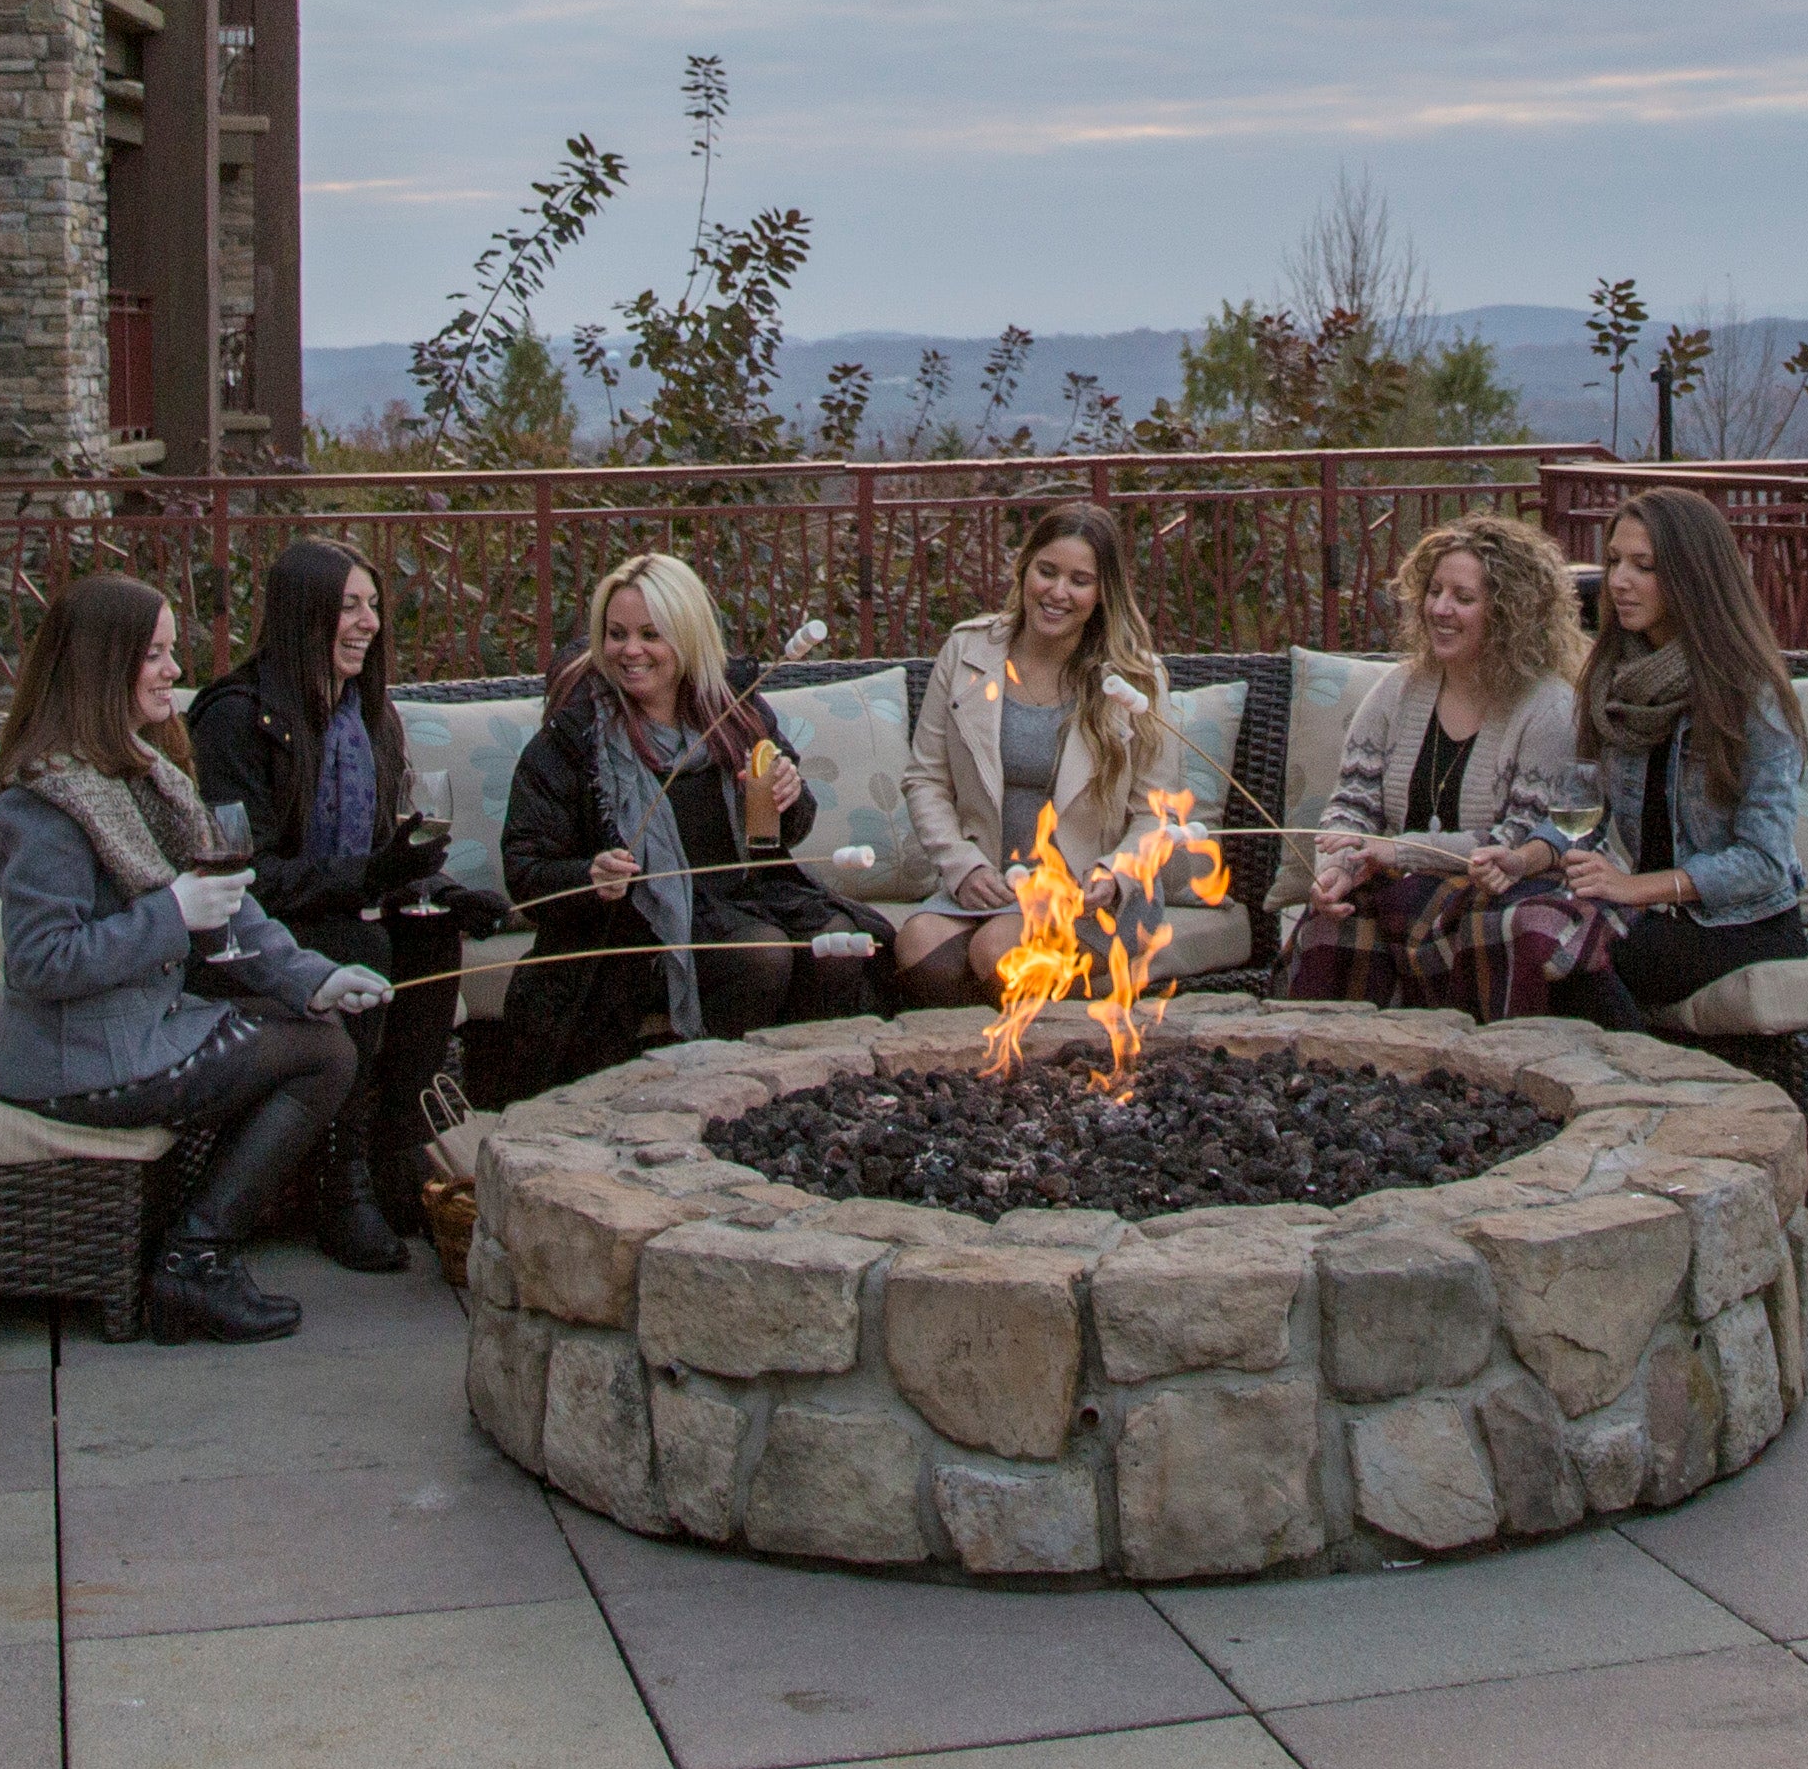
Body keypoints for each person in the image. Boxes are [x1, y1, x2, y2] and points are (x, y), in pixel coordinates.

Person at [0, 571, 388, 1345]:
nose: (175, 670)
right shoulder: (41, 803)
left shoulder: (141, 774)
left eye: (172, 652)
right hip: (77, 1064)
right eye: (156, 655)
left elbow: (233, 903)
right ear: (105, 666)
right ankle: (193, 1261)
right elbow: (41, 962)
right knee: (323, 1057)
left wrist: (318, 979)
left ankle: (194, 1251)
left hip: (134, 1030)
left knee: (313, 1024)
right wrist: (169, 915)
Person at [183, 539, 467, 1273]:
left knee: (435, 935)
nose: (368, 622)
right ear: (303, 615)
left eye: (373, 605)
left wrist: (435, 887)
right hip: (248, 934)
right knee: (362, 949)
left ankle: (394, 1147)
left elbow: (378, 863)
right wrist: (369, 876)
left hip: (335, 906)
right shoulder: (236, 718)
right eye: (349, 606)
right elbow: (247, 877)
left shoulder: (369, 716)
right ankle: (340, 1187)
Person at [498, 552, 864, 1088]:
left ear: (687, 636)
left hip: (744, 897)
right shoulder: (574, 738)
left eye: (651, 634)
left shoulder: (733, 710)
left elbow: (788, 834)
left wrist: (789, 797)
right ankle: (724, 1098)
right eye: (617, 634)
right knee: (758, 955)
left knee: (836, 942)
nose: (630, 651)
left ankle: (808, 1093)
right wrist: (589, 877)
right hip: (637, 925)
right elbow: (525, 870)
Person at [1279, 512, 1607, 1016]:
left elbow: (1517, 841)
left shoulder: (1547, 707)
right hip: (1400, 885)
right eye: (1434, 592)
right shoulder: (1397, 689)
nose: (1441, 609)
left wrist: (1397, 851)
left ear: (1509, 614)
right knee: (1336, 920)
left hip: (1498, 887)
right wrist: (1338, 869)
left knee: (1496, 927)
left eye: (1463, 598)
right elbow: (1351, 807)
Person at [889, 499, 1196, 1011]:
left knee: (996, 951)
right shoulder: (967, 652)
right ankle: (990, 1068)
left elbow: (1154, 814)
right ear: (1024, 570)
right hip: (988, 882)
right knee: (918, 947)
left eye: (1079, 580)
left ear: (1103, 593)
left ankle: (1028, 1062)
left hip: (1086, 890)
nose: (1058, 593)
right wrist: (961, 866)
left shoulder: (1134, 680)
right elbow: (926, 779)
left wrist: (1113, 874)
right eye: (1046, 572)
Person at [1554, 488, 1808, 1030]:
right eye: (1614, 561)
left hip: (1743, 925)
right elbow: (1584, 814)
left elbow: (1764, 863)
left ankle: (1652, 1087)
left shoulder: (1749, 695)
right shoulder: (1616, 681)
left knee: (1571, 953)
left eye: (1642, 566)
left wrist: (1632, 888)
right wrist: (1527, 857)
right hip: (1655, 918)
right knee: (1517, 925)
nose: (1618, 580)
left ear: (1692, 577)